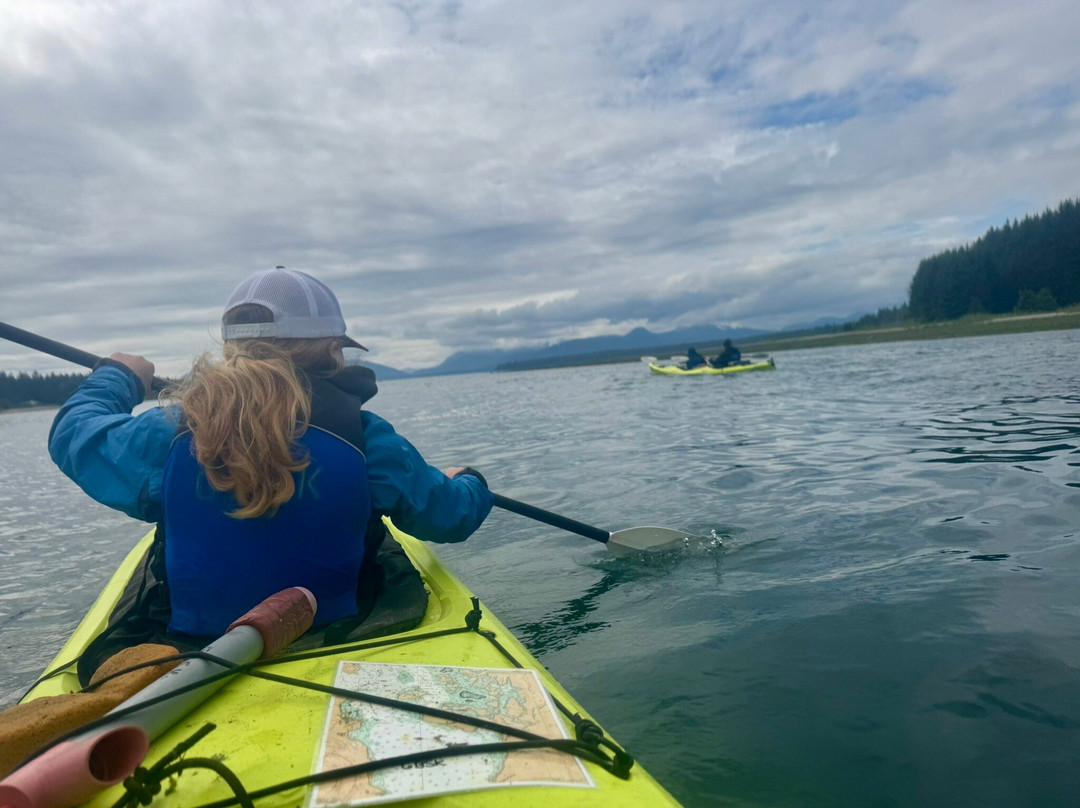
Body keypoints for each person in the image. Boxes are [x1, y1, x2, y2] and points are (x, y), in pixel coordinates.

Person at [49, 268, 493, 639]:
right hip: (335, 628)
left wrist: (118, 376)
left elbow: (72, 435)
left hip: (197, 638)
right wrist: (469, 482)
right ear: (331, 349)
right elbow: (449, 517)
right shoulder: (367, 439)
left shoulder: (168, 431)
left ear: (230, 347)